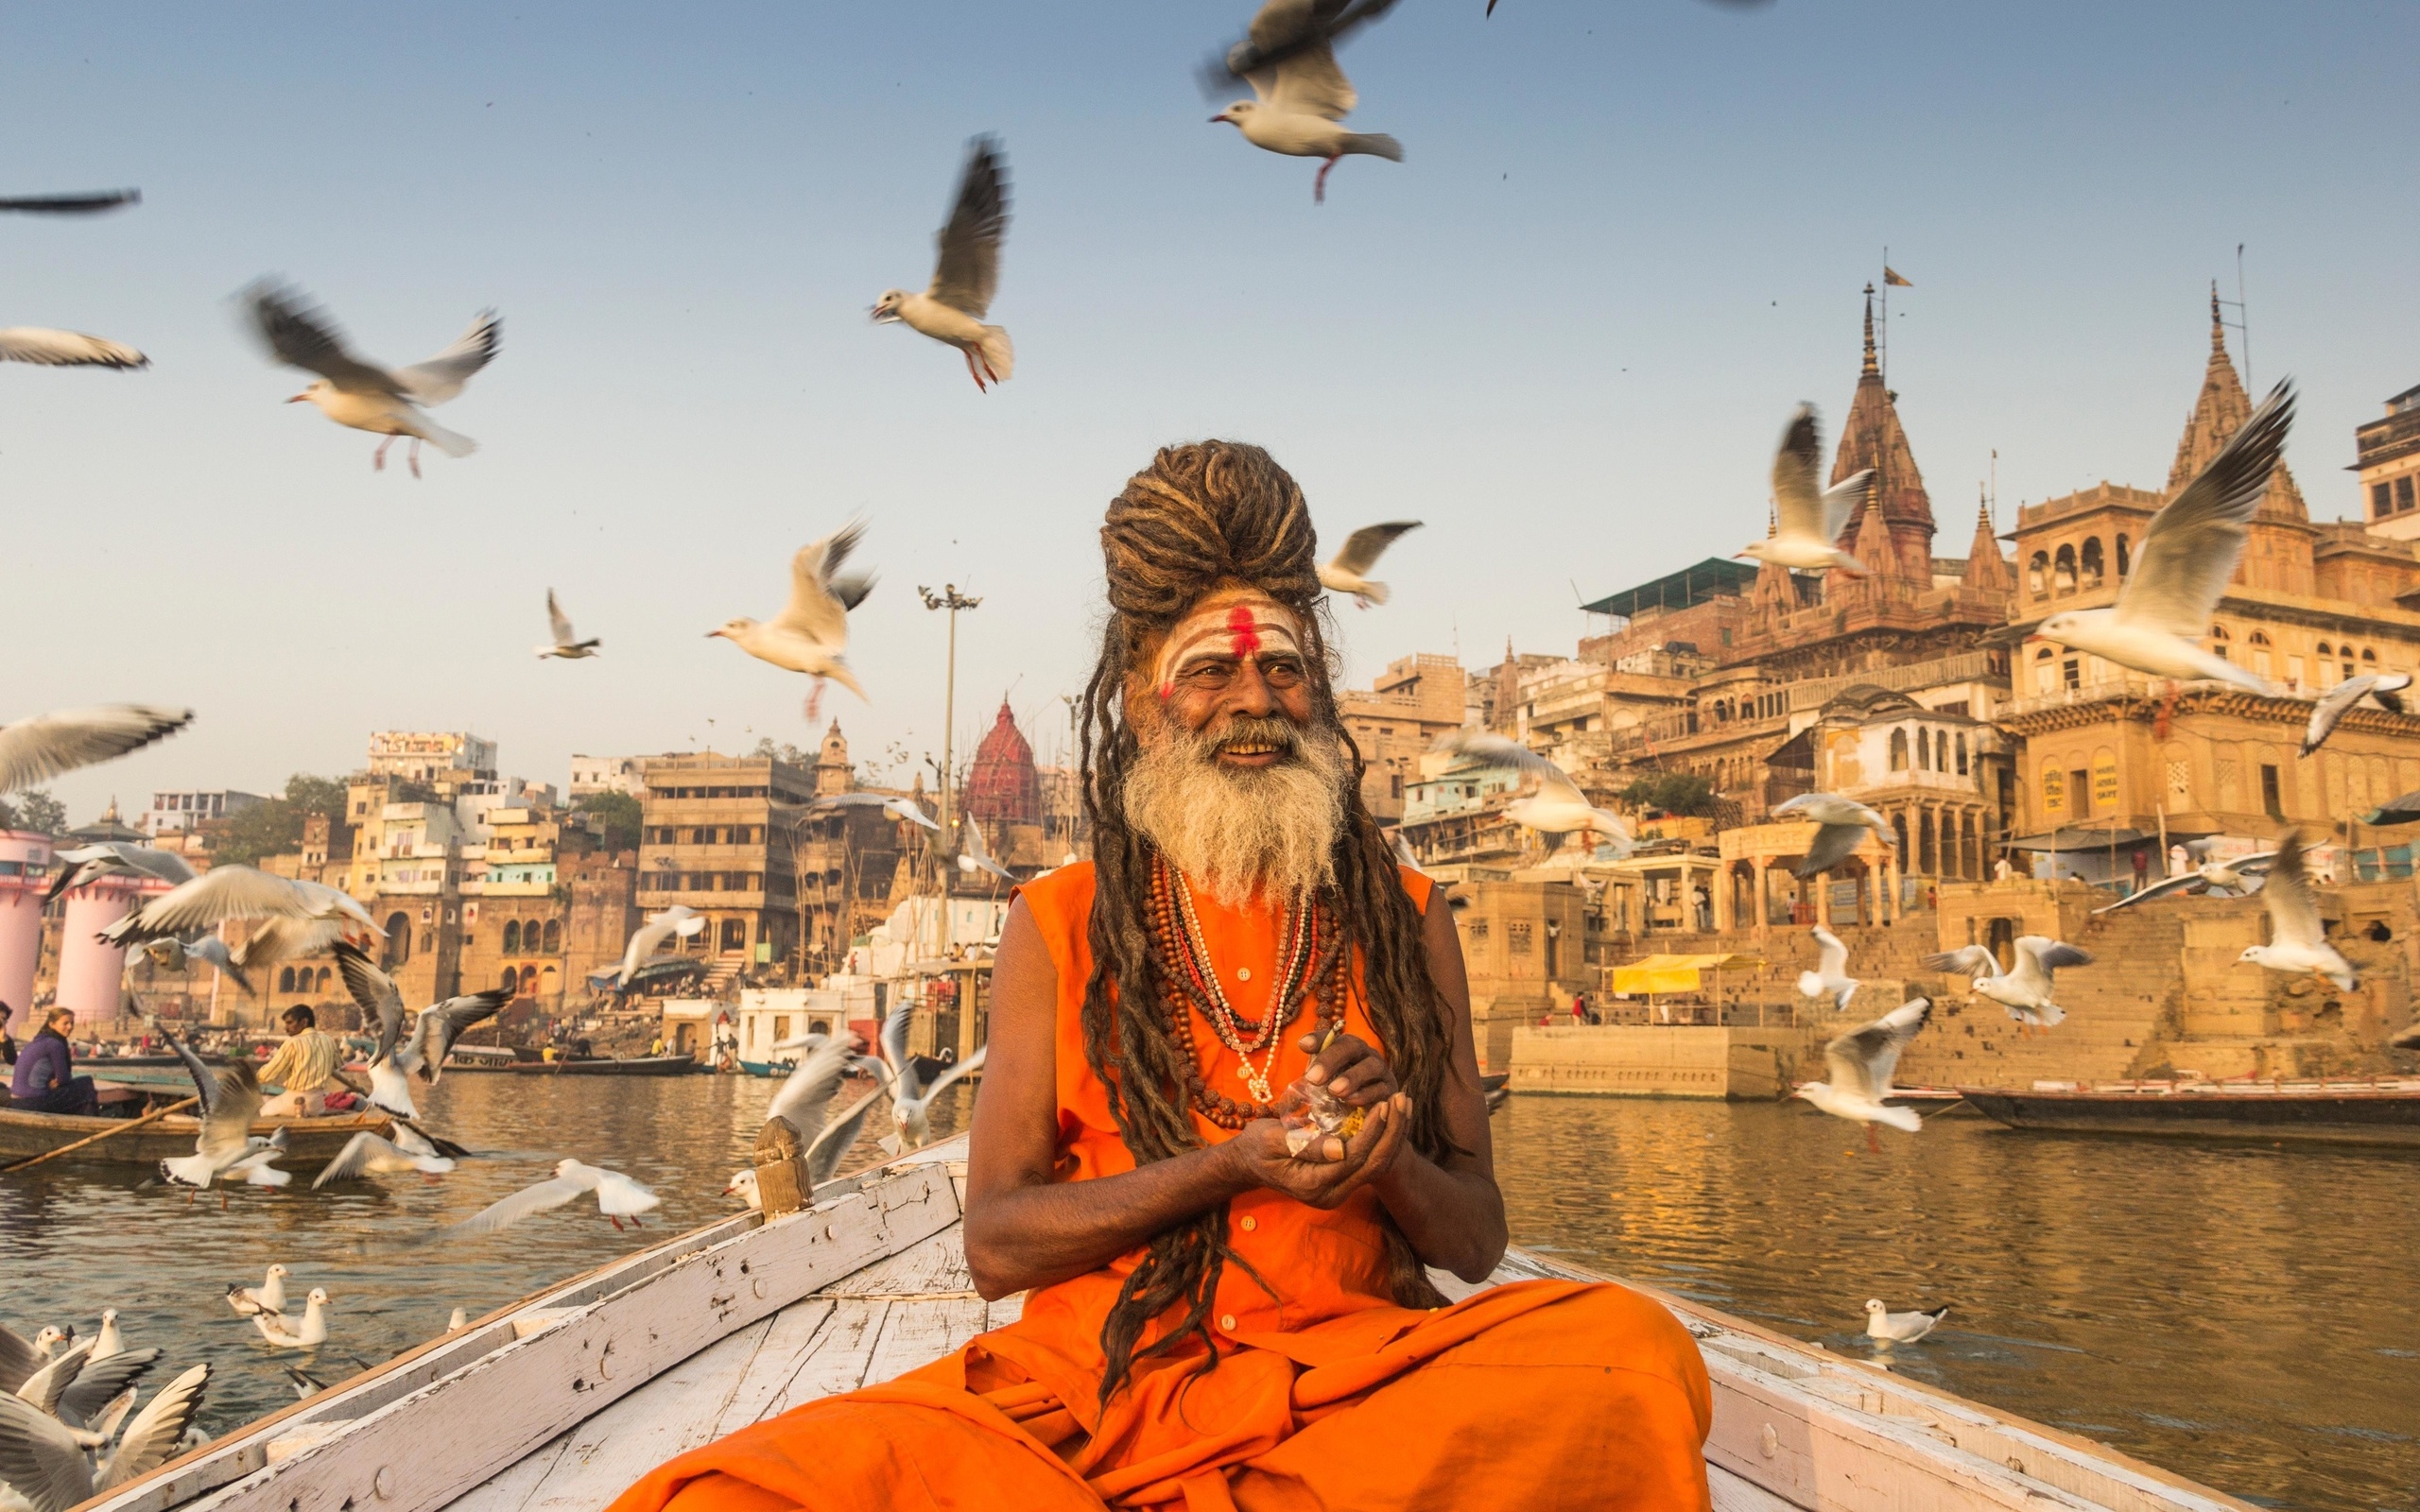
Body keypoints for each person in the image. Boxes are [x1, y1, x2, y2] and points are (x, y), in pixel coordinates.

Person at [608, 442, 1711, 1512]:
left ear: (1317, 693)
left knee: (1633, 1356)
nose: (1251, 699)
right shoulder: (1060, 918)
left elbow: (1472, 1241)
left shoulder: (1408, 916)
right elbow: (995, 1246)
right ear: (1143, 702)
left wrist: (1389, 1161)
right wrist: (1232, 1165)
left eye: (1281, 666)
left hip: (1351, 1382)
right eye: (1209, 671)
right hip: (1092, 1391)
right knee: (718, 1496)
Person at [257, 1005, 344, 1116]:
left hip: (293, 1102)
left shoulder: (293, 1042)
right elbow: (338, 1065)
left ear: (304, 1022)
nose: (286, 1028)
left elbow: (266, 1075)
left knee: (261, 1111)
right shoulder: (329, 1040)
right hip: (317, 1106)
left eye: (290, 1023)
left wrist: (250, 1078)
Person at [10, 1007, 97, 1115]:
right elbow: (64, 1079)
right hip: (32, 1103)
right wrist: (58, 1081)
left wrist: (56, 1082)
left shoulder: (37, 1041)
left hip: (16, 1101)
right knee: (86, 1083)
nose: (70, 1027)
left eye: (72, 1023)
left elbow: (60, 1080)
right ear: (51, 1024)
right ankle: (90, 1122)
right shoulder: (55, 1044)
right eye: (65, 1023)